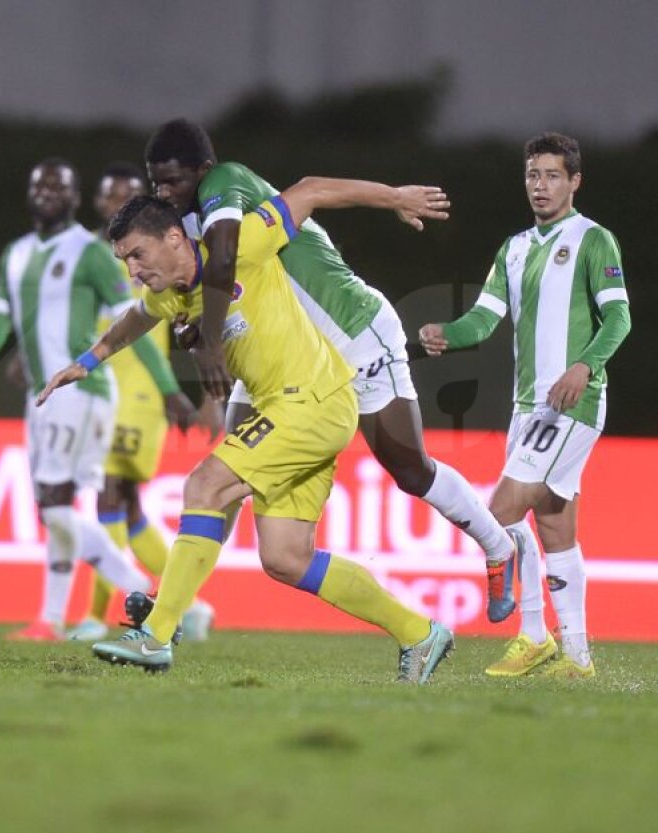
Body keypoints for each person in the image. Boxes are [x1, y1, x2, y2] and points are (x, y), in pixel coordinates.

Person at [38, 180, 455, 683]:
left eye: (137, 254)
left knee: (205, 485)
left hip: (311, 401)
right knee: (285, 558)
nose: (133, 270)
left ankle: (158, 632)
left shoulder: (239, 246)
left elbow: (311, 190)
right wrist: (88, 361)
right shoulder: (171, 295)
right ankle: (420, 633)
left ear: (174, 238)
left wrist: (394, 199)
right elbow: (136, 319)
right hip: (297, 409)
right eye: (125, 261)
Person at [145, 119, 520, 622]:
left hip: (355, 330)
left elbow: (304, 197)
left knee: (408, 467)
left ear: (203, 171)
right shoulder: (181, 226)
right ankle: (171, 603)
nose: (164, 193)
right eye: (156, 184)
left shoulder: (224, 183)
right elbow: (204, 294)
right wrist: (196, 333)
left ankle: (498, 547)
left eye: (174, 181)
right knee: (233, 459)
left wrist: (393, 197)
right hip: (289, 358)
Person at [0, 158, 185, 641]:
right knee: (55, 509)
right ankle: (52, 619)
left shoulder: (92, 253)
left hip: (82, 393)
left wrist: (167, 387)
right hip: (43, 398)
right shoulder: (15, 255)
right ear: (29, 194)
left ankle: (144, 595)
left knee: (58, 505)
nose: (46, 193)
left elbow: (132, 323)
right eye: (39, 185)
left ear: (74, 197)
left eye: (57, 186)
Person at [420, 132, 629, 679]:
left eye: (553, 175)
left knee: (502, 513)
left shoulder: (593, 240)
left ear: (575, 181)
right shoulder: (514, 249)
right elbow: (485, 318)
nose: (541, 186)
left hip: (570, 404)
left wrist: (584, 367)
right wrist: (448, 332)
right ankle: (579, 657)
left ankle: (533, 634)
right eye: (533, 175)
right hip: (528, 406)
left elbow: (620, 319)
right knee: (556, 527)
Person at [66, 162, 221, 643]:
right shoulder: (97, 254)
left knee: (109, 495)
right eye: (111, 197)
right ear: (99, 203)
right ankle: (189, 608)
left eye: (128, 196)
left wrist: (182, 392)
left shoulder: (153, 252)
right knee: (127, 509)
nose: (118, 204)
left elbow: (180, 317)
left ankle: (97, 616)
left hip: (136, 394)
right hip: (105, 388)